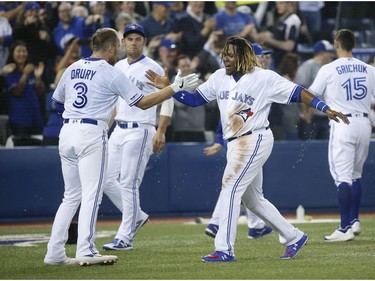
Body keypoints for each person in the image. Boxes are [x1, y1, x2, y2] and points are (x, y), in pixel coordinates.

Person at [146, 36, 349, 262]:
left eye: (230, 54)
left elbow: (298, 92)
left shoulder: (264, 77)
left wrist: (325, 107)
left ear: (243, 55)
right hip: (235, 142)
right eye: (224, 54)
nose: (225, 58)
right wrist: (170, 88)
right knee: (252, 200)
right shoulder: (219, 77)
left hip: (255, 138)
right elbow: (194, 100)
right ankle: (294, 236)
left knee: (230, 187)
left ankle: (224, 248)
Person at [44, 27, 198, 266]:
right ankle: (85, 249)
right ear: (112, 47)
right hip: (92, 132)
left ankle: (54, 252)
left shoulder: (72, 67)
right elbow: (144, 102)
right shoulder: (111, 71)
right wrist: (174, 88)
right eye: (120, 44)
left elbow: (55, 102)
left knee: (70, 196)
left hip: (67, 132)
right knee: (92, 194)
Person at [101, 24, 174, 251]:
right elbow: (116, 103)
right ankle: (137, 216)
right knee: (105, 179)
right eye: (130, 38)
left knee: (129, 183)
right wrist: (107, 127)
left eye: (138, 39)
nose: (134, 42)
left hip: (141, 128)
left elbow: (168, 98)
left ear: (144, 42)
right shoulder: (117, 66)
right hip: (119, 129)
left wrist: (161, 130)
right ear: (123, 42)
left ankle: (125, 236)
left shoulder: (152, 67)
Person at [308, 29, 375, 242]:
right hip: (364, 122)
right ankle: (354, 220)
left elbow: (310, 94)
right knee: (356, 175)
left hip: (342, 122)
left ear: (337, 45)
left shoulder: (328, 69)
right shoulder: (368, 69)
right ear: (353, 45)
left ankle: (345, 227)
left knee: (342, 177)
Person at [204, 43, 273, 240]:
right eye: (260, 55)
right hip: (240, 140)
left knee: (246, 189)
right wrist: (219, 139)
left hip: (250, 138)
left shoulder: (263, 78)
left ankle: (256, 226)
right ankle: (217, 223)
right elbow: (227, 115)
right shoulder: (234, 79)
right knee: (234, 185)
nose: (264, 59)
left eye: (266, 55)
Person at [4, 40, 45, 142]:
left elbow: (40, 91)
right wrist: (25, 74)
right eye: (19, 51)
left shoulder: (31, 71)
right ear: (12, 54)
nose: (22, 54)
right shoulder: (10, 72)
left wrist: (38, 78)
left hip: (35, 118)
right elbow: (17, 92)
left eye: (24, 51)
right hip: (19, 120)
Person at [295, 40, 335, 140]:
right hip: (312, 116)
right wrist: (305, 112)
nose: (331, 55)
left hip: (325, 115)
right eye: (329, 52)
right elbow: (299, 89)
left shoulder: (329, 68)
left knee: (323, 148)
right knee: (309, 148)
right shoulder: (309, 65)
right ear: (322, 53)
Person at [172, 54, 206, 142]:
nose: (187, 68)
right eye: (183, 66)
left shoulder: (200, 82)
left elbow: (211, 105)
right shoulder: (173, 85)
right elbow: (181, 104)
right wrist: (192, 87)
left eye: (188, 65)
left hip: (199, 129)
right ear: (176, 68)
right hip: (181, 130)